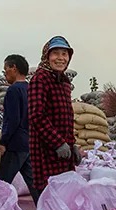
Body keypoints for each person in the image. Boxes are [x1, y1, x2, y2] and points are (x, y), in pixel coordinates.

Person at [28, 36, 79, 195]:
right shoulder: (40, 79)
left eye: (64, 54)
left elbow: (65, 118)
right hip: (46, 151)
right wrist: (57, 143)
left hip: (64, 152)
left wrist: (72, 144)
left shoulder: (64, 82)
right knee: (49, 197)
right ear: (46, 56)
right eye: (55, 53)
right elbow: (36, 115)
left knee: (64, 197)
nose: (60, 58)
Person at [0, 54, 39, 202]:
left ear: (14, 68)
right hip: (28, 144)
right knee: (34, 184)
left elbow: (12, 120)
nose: (5, 73)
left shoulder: (14, 90)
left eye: (5, 69)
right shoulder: (31, 89)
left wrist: (3, 143)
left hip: (14, 145)